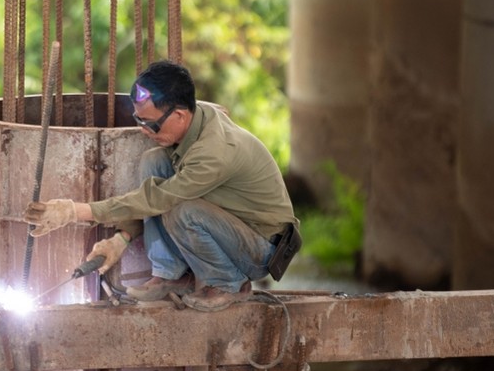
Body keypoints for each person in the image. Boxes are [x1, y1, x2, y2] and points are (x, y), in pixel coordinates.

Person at [23, 60, 299, 312]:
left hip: (261, 248)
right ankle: (170, 273)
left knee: (182, 211)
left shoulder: (214, 152)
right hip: (231, 226)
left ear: (179, 115)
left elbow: (159, 200)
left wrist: (75, 211)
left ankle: (229, 284)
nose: (144, 129)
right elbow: (153, 195)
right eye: (138, 120)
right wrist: (122, 238)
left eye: (150, 123)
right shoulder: (197, 119)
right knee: (153, 161)